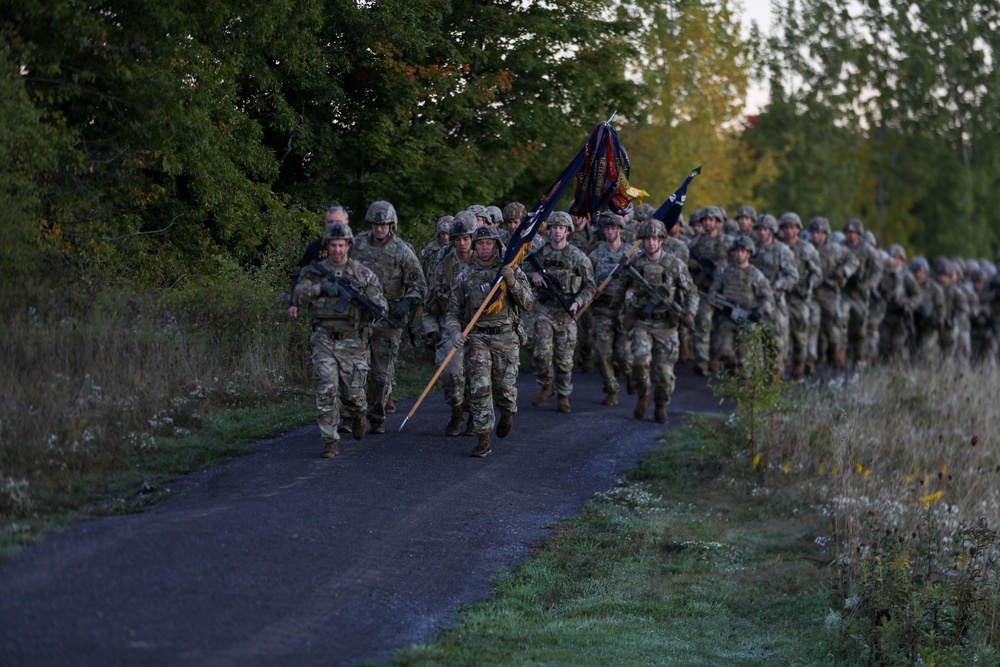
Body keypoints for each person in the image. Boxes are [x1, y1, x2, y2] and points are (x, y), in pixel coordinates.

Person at [292, 222, 385, 458]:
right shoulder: (314, 272)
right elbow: (297, 296)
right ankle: (329, 441)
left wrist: (365, 306)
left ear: (348, 246)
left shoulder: (362, 274)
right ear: (327, 246)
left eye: (341, 245)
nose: (337, 250)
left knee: (353, 396)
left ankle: (359, 414)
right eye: (333, 245)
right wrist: (318, 289)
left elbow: (380, 305)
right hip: (323, 338)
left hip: (353, 341)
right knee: (326, 390)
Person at [445, 226, 535, 457]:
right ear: (475, 246)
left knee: (504, 388)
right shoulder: (465, 276)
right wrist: (455, 331)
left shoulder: (509, 270)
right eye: (481, 243)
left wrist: (512, 281)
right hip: (477, 337)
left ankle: (507, 413)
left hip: (505, 337)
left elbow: (528, 304)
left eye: (489, 243)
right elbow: (453, 311)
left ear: (496, 245)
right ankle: (483, 437)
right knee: (479, 387)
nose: (485, 247)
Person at [351, 200, 427, 434]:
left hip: (389, 318)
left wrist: (406, 301)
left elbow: (419, 284)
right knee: (354, 369)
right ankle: (354, 414)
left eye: (384, 224)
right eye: (375, 224)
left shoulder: (402, 250)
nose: (379, 229)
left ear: (391, 225)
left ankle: (376, 416)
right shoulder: (357, 245)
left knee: (381, 374)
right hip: (359, 316)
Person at [613, 219, 698, 423]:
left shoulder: (674, 264)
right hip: (642, 322)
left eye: (655, 238)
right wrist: (618, 314)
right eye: (647, 239)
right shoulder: (636, 265)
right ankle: (643, 395)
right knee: (640, 363)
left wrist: (690, 313)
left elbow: (691, 292)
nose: (651, 243)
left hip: (667, 325)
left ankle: (660, 404)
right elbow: (620, 292)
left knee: (665, 375)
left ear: (662, 240)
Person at [527, 211, 596, 413]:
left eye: (561, 228)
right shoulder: (540, 254)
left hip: (567, 313)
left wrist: (578, 302)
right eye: (554, 227)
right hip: (544, 311)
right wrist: (533, 275)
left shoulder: (578, 257)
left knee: (565, 359)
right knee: (541, 353)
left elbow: (590, 286)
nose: (557, 231)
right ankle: (547, 385)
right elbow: (520, 271)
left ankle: (564, 394)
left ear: (567, 230)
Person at [425, 212, 477, 436]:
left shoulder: (486, 262)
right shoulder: (443, 267)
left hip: (480, 327)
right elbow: (429, 306)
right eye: (457, 239)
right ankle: (457, 410)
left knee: (480, 372)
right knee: (451, 370)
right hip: (451, 325)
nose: (462, 243)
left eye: (466, 238)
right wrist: (431, 330)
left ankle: (477, 414)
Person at [587, 212, 634, 406]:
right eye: (606, 228)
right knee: (602, 353)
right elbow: (586, 278)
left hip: (625, 311)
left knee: (624, 354)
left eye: (613, 228)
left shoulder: (632, 253)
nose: (610, 231)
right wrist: (592, 292)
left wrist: (630, 297)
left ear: (621, 229)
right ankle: (612, 389)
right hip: (603, 310)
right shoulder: (596, 254)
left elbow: (641, 280)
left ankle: (630, 375)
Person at [709, 235, 775, 372]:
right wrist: (722, 304)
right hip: (727, 320)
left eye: (743, 251)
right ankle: (733, 373)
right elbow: (712, 293)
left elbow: (768, 297)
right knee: (724, 353)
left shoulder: (756, 274)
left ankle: (744, 385)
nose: (739, 254)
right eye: (737, 251)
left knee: (746, 360)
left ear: (749, 253)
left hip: (747, 320)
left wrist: (759, 312)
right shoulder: (725, 273)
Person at [750, 213, 798, 370]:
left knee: (776, 346)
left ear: (772, 231)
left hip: (776, 304)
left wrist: (777, 285)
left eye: (765, 230)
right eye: (759, 230)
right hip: (754, 302)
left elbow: (792, 276)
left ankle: (775, 383)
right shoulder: (751, 249)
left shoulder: (781, 250)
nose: (762, 233)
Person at [687, 206, 730, 375]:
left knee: (720, 327)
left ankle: (715, 358)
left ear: (717, 222)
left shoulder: (727, 242)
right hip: (703, 291)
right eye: (704, 220)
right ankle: (702, 360)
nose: (707, 223)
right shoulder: (695, 242)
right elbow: (684, 256)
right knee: (703, 323)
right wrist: (691, 262)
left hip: (724, 291)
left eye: (711, 220)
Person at [288, 205, 350, 320]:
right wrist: (293, 303)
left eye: (338, 222)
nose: (335, 226)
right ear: (325, 224)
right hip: (322, 314)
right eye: (330, 222)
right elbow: (300, 276)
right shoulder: (315, 247)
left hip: (351, 315)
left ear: (346, 222)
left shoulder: (358, 247)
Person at [779, 212, 821, 378]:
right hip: (781, 297)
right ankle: (780, 368)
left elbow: (817, 273)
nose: (789, 231)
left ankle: (800, 365)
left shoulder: (806, 249)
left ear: (798, 229)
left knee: (800, 336)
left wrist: (808, 287)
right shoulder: (777, 246)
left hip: (799, 298)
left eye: (792, 228)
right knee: (781, 334)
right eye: (786, 228)